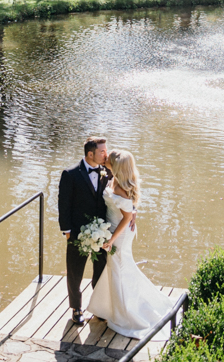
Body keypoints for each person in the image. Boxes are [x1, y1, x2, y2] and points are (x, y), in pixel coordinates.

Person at [85, 149, 174, 338]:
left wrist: (111, 239)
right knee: (118, 269)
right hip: (114, 228)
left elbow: (126, 218)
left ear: (117, 166)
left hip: (120, 234)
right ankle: (110, 308)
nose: (106, 157)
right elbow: (130, 209)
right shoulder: (117, 179)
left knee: (119, 269)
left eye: (110, 158)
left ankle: (125, 314)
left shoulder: (121, 189)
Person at [58, 136, 111, 326]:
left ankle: (97, 306)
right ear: (90, 154)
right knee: (75, 272)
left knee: (101, 270)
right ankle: (76, 308)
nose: (106, 154)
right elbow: (64, 205)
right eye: (102, 151)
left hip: (102, 232)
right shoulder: (70, 174)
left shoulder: (108, 172)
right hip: (78, 233)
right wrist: (67, 232)